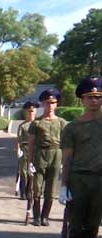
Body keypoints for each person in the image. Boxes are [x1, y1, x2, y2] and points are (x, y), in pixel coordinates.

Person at [59, 76, 102, 238]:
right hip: (79, 179)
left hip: (99, 181)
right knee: (76, 228)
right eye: (89, 97)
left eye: (98, 97)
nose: (94, 101)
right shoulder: (73, 128)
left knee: (93, 228)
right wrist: (64, 185)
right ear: (82, 99)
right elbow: (67, 157)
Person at [27, 88, 68, 226]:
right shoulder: (36, 122)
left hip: (56, 154)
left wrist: (64, 162)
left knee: (51, 190)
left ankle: (45, 217)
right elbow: (31, 143)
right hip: (40, 154)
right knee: (36, 187)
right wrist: (29, 162)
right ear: (43, 104)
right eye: (47, 102)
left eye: (53, 103)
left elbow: (67, 144)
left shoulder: (62, 123)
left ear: (56, 104)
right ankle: (37, 216)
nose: (50, 105)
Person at [16, 101, 38, 200]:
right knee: (23, 172)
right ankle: (23, 192)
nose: (31, 113)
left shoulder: (38, 124)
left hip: (35, 149)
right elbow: (18, 139)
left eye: (32, 111)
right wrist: (18, 150)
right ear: (26, 112)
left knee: (33, 172)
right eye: (29, 111)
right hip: (25, 148)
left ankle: (31, 192)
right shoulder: (23, 125)